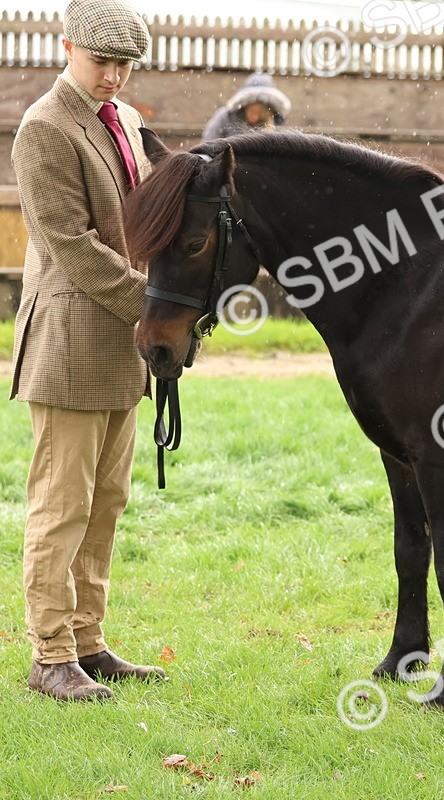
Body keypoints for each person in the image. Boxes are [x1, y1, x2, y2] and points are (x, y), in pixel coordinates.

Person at [10, 0, 166, 701]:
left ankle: (87, 641)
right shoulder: (45, 127)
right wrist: (156, 306)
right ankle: (49, 656)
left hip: (121, 342)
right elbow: (73, 248)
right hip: (70, 342)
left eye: (125, 64)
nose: (113, 76)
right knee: (62, 504)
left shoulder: (128, 122)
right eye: (102, 60)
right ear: (67, 46)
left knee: (106, 501)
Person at [201, 72, 291, 141]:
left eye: (258, 112)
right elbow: (208, 143)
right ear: (245, 106)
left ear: (266, 113)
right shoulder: (225, 117)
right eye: (251, 110)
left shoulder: (275, 126)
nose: (253, 115)